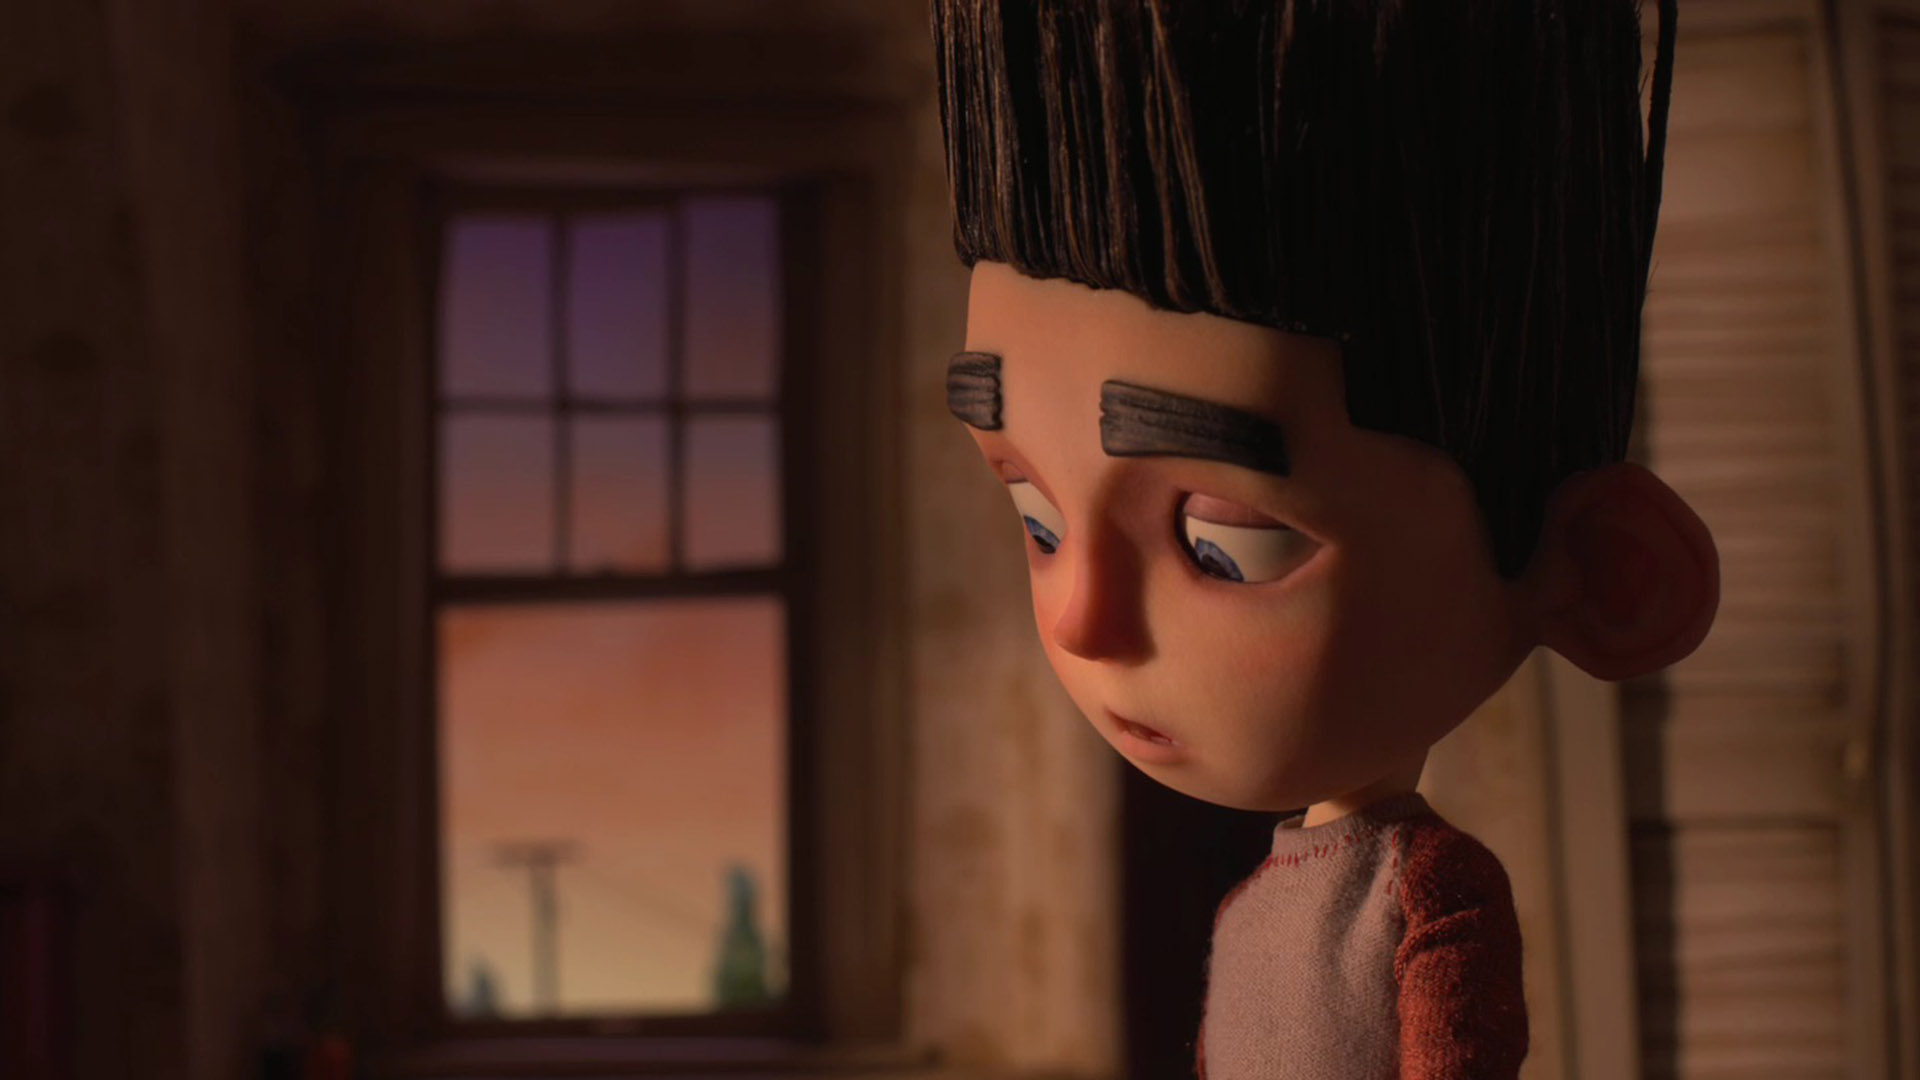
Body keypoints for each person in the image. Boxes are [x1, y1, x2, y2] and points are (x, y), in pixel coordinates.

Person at [929, 1, 1714, 1076]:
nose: (1080, 618)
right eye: (1040, 521)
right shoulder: (1254, 905)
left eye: (1223, 547)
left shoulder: (1427, 897)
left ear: (1605, 578)